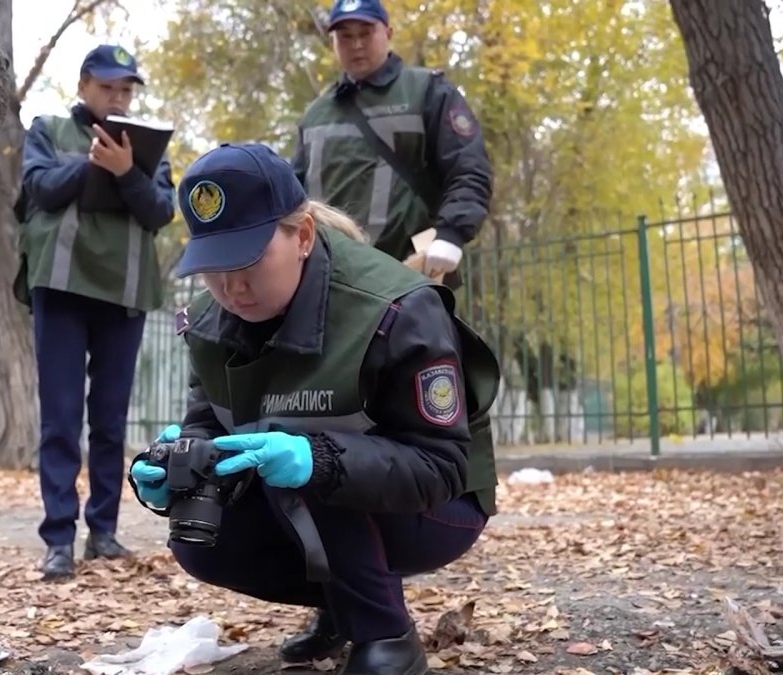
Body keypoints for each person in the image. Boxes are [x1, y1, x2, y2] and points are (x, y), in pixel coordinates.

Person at [126, 143, 501, 675]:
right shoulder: (210, 321)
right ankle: (341, 604)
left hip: (439, 508)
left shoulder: (397, 310)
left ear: (301, 236)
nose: (231, 287)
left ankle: (386, 637)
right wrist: (178, 467)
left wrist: (315, 458)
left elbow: (442, 465)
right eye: (213, 267)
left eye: (248, 260)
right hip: (325, 497)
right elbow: (210, 422)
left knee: (310, 467)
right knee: (203, 540)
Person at [16, 44, 175, 580]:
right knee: (60, 418)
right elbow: (37, 188)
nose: (119, 96)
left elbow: (160, 212)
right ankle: (57, 538)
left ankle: (102, 531)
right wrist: (91, 166)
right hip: (60, 288)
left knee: (109, 421)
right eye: (109, 86)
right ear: (84, 84)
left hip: (124, 293)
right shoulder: (48, 129)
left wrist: (128, 171)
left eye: (127, 88)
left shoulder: (150, 144)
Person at [291, 0, 494, 284]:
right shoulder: (315, 114)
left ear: (388, 33)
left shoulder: (427, 91)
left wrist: (451, 234)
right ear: (333, 41)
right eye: (345, 36)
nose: (357, 44)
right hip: (331, 279)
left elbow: (468, 167)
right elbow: (293, 199)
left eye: (365, 32)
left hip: (410, 273)